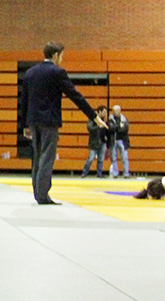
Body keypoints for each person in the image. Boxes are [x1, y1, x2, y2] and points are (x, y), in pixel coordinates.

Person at [18, 41, 103, 206]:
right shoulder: (57, 72)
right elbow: (75, 96)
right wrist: (93, 116)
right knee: (47, 156)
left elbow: (24, 100)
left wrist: (25, 125)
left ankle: (38, 193)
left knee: (37, 157)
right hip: (49, 121)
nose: (62, 59)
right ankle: (43, 195)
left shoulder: (30, 72)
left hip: (33, 121)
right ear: (56, 55)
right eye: (62, 56)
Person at [81, 105, 111, 178]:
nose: (105, 114)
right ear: (99, 111)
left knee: (101, 159)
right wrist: (99, 126)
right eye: (104, 112)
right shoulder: (93, 118)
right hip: (94, 142)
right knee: (91, 158)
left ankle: (99, 174)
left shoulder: (105, 120)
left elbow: (108, 130)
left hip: (102, 141)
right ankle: (84, 173)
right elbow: (90, 128)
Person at [107, 104, 131, 179]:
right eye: (115, 110)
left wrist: (116, 128)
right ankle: (115, 173)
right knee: (113, 158)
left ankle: (126, 173)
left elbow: (125, 130)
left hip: (123, 141)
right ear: (113, 111)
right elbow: (110, 129)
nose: (116, 112)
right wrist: (119, 127)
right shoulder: (110, 120)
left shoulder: (124, 119)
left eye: (118, 110)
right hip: (113, 141)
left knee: (124, 158)